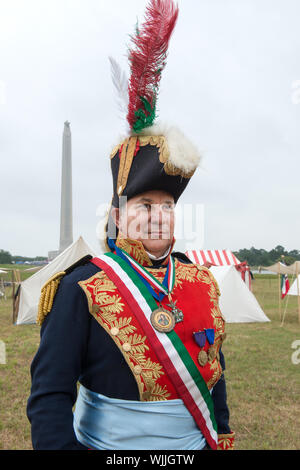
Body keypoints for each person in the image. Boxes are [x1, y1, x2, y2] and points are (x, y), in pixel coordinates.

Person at [27, 0, 235, 451]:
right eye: (144, 203)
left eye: (166, 204)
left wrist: (222, 431)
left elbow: (213, 376)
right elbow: (50, 397)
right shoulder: (81, 287)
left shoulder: (202, 282)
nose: (157, 214)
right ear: (119, 214)